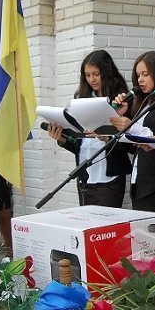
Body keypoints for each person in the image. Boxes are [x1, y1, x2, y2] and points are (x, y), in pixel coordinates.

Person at [47, 50, 132, 207]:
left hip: (109, 180)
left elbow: (130, 145)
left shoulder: (121, 100)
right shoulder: (82, 100)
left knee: (107, 221)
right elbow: (82, 145)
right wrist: (62, 139)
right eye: (87, 75)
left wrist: (106, 137)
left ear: (106, 72)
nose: (92, 79)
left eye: (96, 74)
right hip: (85, 178)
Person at [109, 51, 155, 214]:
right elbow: (132, 146)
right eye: (138, 75)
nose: (140, 79)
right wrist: (119, 116)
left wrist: (131, 127)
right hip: (140, 182)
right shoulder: (143, 103)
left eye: (145, 74)